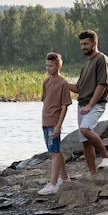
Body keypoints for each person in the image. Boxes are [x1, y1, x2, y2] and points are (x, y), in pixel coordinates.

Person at [67, 30, 108, 175]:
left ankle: (106, 157)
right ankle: (93, 173)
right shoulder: (86, 65)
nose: (83, 47)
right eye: (81, 44)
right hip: (82, 105)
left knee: (85, 129)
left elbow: (102, 84)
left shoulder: (102, 59)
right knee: (85, 141)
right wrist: (61, 81)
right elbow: (78, 88)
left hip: (95, 104)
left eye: (86, 44)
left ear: (94, 43)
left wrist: (90, 105)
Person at [37, 52, 72, 195]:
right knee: (57, 149)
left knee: (54, 152)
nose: (47, 68)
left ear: (58, 66)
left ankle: (53, 184)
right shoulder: (46, 82)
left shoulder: (63, 83)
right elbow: (45, 101)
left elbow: (64, 106)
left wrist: (58, 125)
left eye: (50, 66)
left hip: (54, 122)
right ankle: (64, 177)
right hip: (45, 121)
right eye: (46, 65)